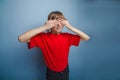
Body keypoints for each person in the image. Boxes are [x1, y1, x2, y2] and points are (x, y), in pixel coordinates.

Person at [18, 11, 90, 80]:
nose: (59, 25)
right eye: (55, 22)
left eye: (61, 22)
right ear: (50, 23)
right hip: (51, 73)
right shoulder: (43, 38)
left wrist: (69, 26)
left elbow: (86, 38)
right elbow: (21, 38)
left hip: (65, 71)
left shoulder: (67, 37)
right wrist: (44, 27)